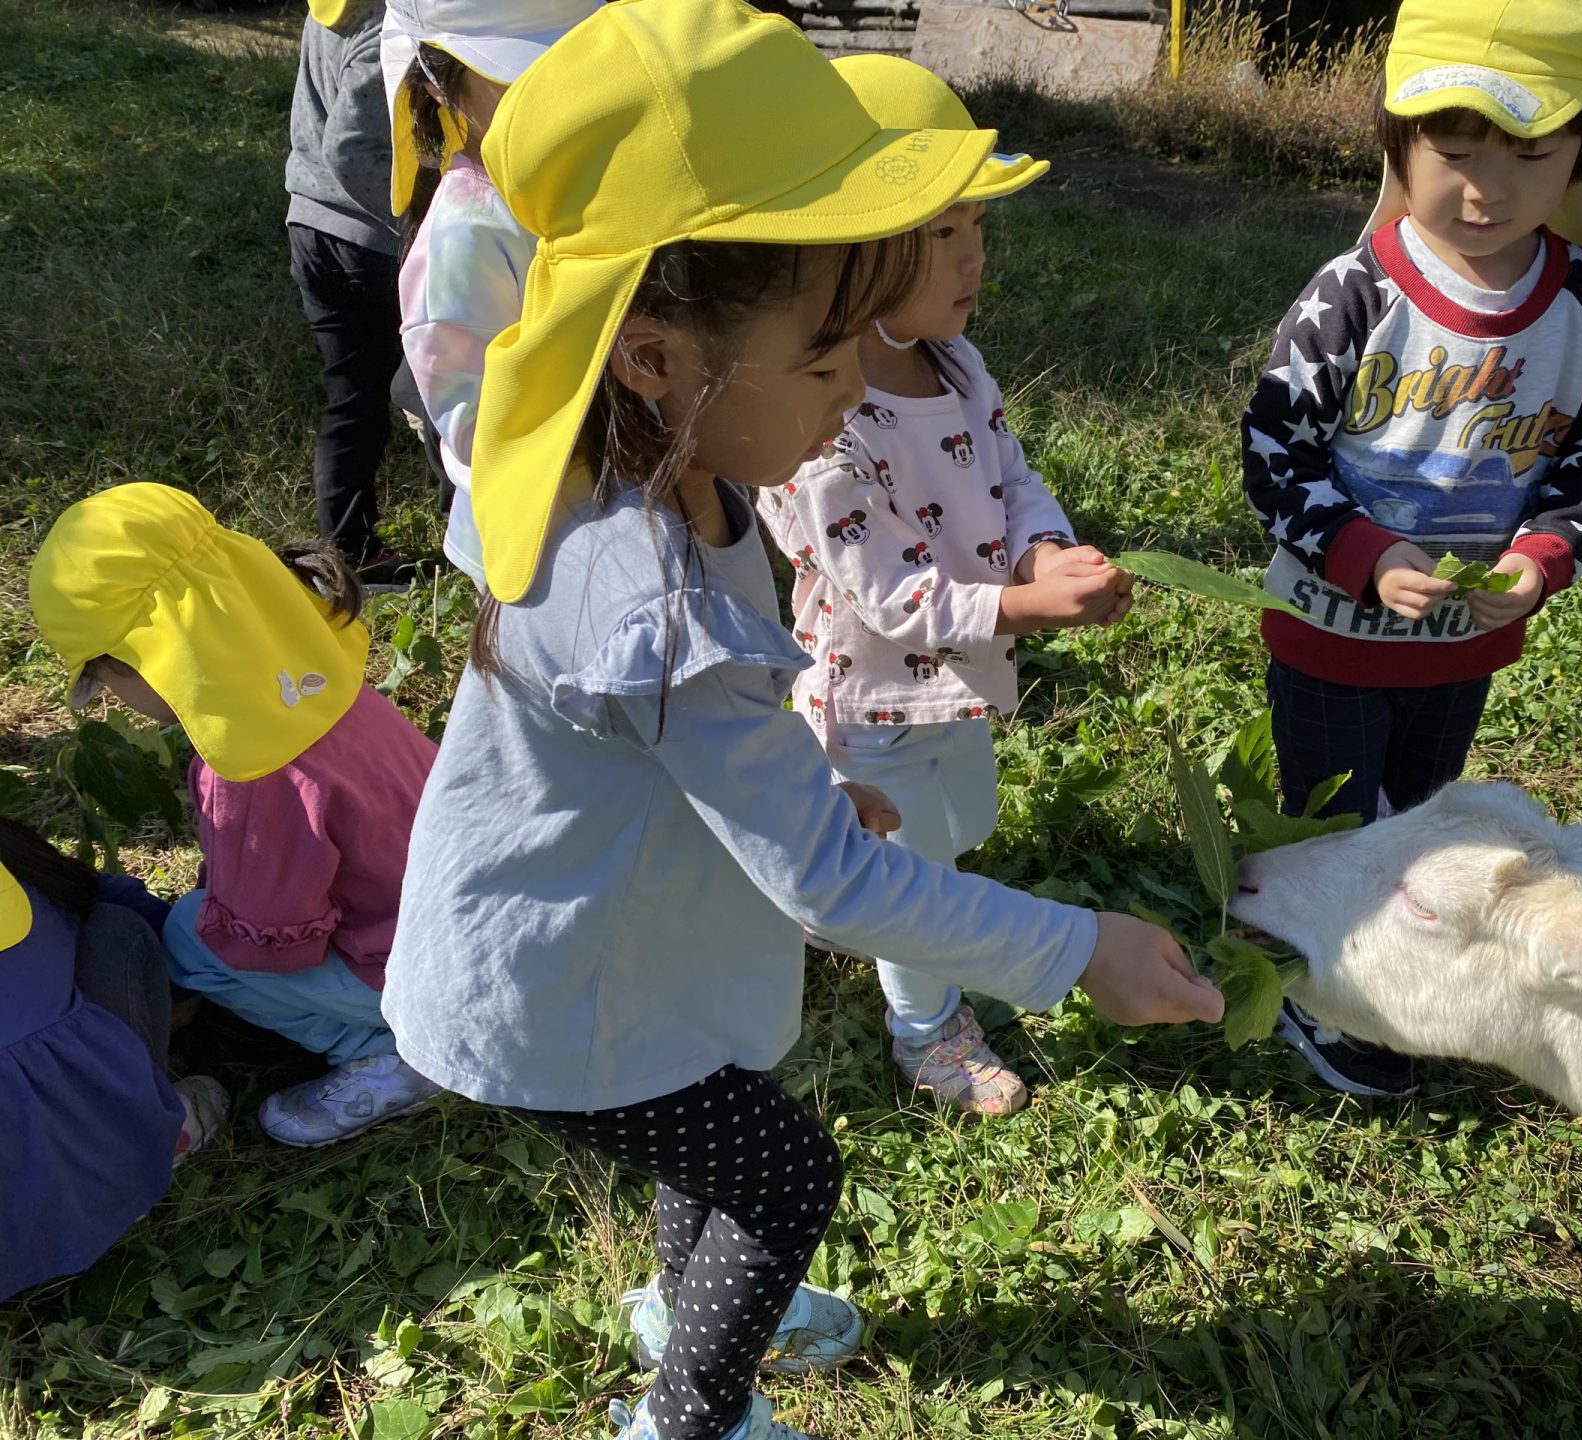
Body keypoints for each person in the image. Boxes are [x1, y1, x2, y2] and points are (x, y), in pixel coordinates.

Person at [376, 6, 1222, 1438]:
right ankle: (691, 1416)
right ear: (656, 355)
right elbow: (826, 885)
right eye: (827, 368)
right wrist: (1081, 951)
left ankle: (678, 1306)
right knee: (781, 1170)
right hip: (560, 990)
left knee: (713, 1105)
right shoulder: (647, 589)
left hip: (610, 933)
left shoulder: (660, 466)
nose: (849, 404)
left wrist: (812, 779)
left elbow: (712, 746)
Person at [1240, 0, 1582, 1097]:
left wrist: (1541, 561)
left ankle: (1394, 976)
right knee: (1333, 827)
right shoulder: (1355, 294)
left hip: (1463, 646)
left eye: (1531, 155)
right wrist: (1364, 553)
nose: (1486, 189)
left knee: (1421, 824)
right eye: (1455, 152)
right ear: (1397, 142)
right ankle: (1320, 991)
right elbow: (1276, 450)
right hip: (1329, 632)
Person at [759, 56, 1131, 1117]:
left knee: (960, 820)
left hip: (960, 679)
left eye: (976, 226)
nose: (973, 257)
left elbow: (1013, 475)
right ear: (848, 253)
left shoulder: (956, 363)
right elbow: (890, 599)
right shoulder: (823, 422)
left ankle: (831, 887)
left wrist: (1043, 553)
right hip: (874, 695)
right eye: (939, 234)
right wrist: (1023, 608)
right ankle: (927, 1028)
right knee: (915, 877)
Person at [29, 484, 442, 1147]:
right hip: (480, 911)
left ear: (150, 660)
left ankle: (394, 1051)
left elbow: (268, 937)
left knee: (191, 940)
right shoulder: (318, 676)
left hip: (426, 969)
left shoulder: (250, 769)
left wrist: (197, 953)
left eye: (105, 678)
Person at [385, 0, 600, 587]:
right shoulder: (468, 232)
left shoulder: (574, 175)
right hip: (541, 544)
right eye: (520, 75)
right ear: (440, 84)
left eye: (578, 62)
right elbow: (479, 432)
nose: (558, 90)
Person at [0, 817, 227, 1302]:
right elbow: (106, 898)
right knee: (117, 931)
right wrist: (187, 987)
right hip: (93, 1178)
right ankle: (150, 1135)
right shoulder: (14, 862)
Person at [287, 0, 425, 586]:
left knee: (352, 397)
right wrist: (419, 221)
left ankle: (345, 553)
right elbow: (350, 149)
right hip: (366, 239)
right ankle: (471, 537)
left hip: (308, 221)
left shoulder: (330, 7)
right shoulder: (388, 19)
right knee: (436, 382)